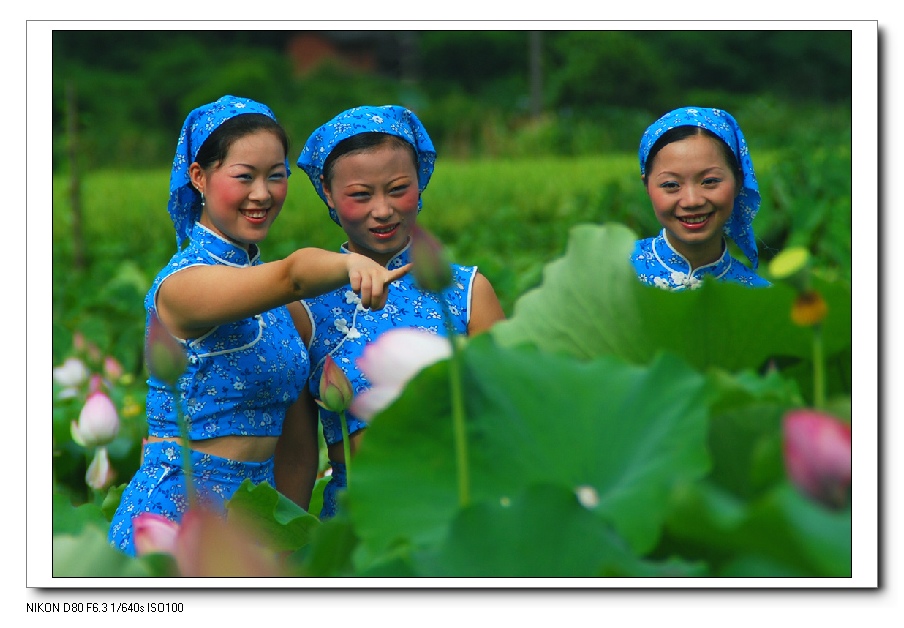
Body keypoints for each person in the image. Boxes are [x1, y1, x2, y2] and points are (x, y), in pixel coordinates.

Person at [108, 95, 408, 556]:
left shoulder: (270, 301)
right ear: (199, 177)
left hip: (255, 523)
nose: (263, 194)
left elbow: (294, 441)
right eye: (244, 177)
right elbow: (292, 275)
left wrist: (286, 542)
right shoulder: (183, 285)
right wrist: (354, 265)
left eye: (276, 176)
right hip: (176, 518)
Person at [275, 105, 506, 519]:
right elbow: (296, 454)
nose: (382, 210)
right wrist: (286, 550)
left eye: (398, 188)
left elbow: (510, 416)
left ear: (420, 182)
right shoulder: (305, 307)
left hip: (458, 508)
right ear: (327, 192)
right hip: (355, 517)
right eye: (360, 195)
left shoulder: (469, 292)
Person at [630, 106, 770, 290]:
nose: (692, 201)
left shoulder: (755, 296)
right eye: (671, 185)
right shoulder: (614, 274)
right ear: (646, 186)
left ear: (738, 181)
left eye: (709, 181)